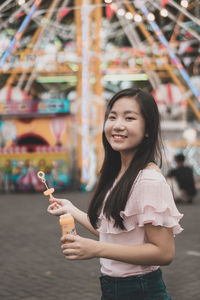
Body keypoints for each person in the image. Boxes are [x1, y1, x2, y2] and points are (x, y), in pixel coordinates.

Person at [47, 88, 183, 300]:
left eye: (129, 118)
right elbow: (112, 232)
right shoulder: (118, 174)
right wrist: (71, 209)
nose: (117, 125)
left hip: (140, 290)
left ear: (148, 129)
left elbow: (164, 253)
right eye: (112, 117)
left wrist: (97, 249)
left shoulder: (148, 180)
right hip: (114, 289)